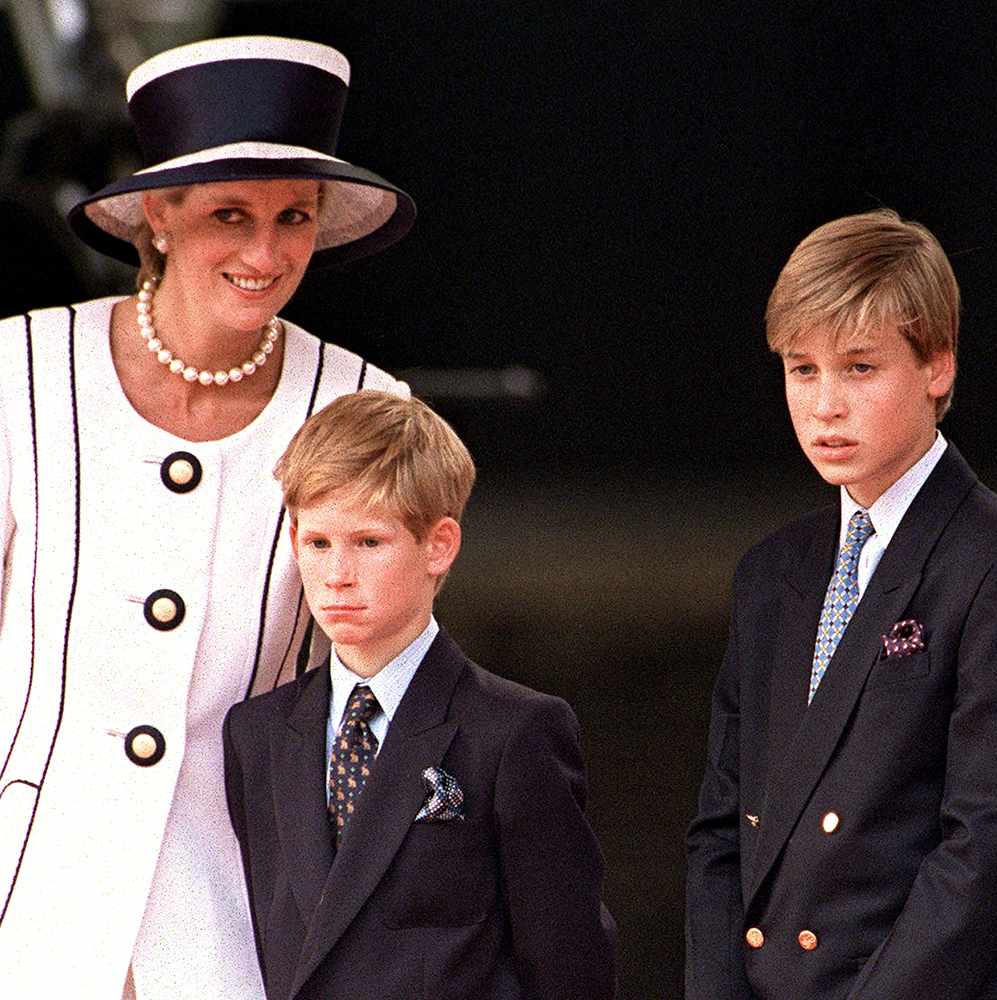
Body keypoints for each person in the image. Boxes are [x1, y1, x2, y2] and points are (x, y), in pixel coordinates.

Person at [0, 36, 415, 998]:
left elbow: (384, 703)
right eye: (230, 214)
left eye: (293, 218)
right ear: (159, 213)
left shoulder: (365, 407)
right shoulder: (19, 377)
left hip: (246, 929)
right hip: (30, 911)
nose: (265, 253)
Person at [685, 209, 997, 1000]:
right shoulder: (770, 573)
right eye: (802, 369)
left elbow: (987, 853)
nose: (825, 404)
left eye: (860, 367)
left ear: (937, 365)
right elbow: (721, 832)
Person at [222, 389, 616, 1000]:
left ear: (439, 545)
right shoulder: (258, 734)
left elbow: (570, 969)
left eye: (369, 542)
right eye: (318, 543)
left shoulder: (515, 732)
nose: (336, 575)